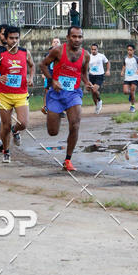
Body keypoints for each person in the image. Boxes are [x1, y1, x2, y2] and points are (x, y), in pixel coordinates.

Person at [40, 26, 98, 171]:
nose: (77, 39)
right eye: (74, 36)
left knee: (75, 124)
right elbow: (43, 65)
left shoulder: (85, 55)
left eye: (80, 37)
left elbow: (84, 73)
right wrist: (52, 80)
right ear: (68, 37)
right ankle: (57, 113)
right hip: (57, 93)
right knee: (52, 132)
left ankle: (68, 160)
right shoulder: (58, 50)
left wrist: (87, 83)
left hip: (74, 93)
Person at [0, 26, 34, 164]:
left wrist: (30, 77)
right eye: (11, 38)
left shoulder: (25, 53)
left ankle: (15, 130)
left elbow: (32, 65)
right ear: (6, 39)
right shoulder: (0, 56)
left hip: (21, 94)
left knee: (23, 123)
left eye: (17, 38)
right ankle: (6, 151)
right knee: (5, 125)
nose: (14, 41)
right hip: (5, 95)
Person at [41, 36, 61, 115]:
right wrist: (43, 73)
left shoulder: (63, 54)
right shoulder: (47, 54)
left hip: (59, 76)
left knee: (58, 91)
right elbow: (44, 65)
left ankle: (59, 108)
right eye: (54, 42)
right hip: (49, 75)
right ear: (52, 43)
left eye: (57, 42)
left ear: (60, 44)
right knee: (47, 91)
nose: (56, 43)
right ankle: (45, 107)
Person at [88, 43, 110, 114]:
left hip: (99, 75)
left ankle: (100, 100)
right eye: (92, 49)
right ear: (90, 49)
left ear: (97, 49)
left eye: (95, 49)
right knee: (93, 93)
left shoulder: (101, 56)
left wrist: (108, 70)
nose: (93, 51)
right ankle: (97, 106)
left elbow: (107, 62)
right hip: (91, 75)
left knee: (94, 90)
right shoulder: (88, 56)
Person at [121, 44, 138, 112]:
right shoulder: (125, 58)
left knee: (132, 91)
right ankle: (131, 96)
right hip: (127, 77)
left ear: (133, 51)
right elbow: (124, 65)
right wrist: (122, 71)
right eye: (128, 50)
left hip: (134, 77)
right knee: (125, 92)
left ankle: (132, 106)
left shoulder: (136, 58)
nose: (129, 51)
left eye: (131, 50)